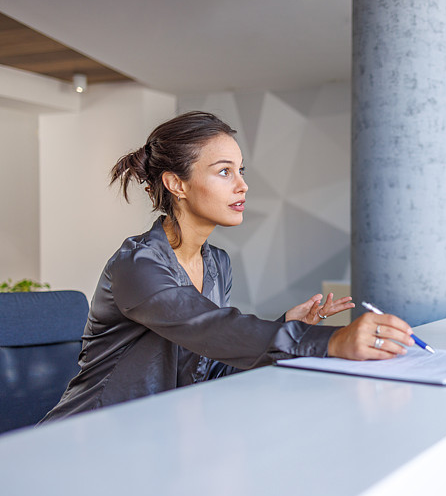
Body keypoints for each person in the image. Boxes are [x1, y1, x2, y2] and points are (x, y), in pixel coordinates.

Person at [41, 111, 414, 422]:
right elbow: (210, 327)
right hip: (87, 436)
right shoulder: (137, 266)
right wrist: (331, 341)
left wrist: (287, 327)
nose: (243, 186)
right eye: (224, 172)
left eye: (241, 170)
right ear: (177, 184)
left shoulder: (216, 264)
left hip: (152, 434)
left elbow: (210, 363)